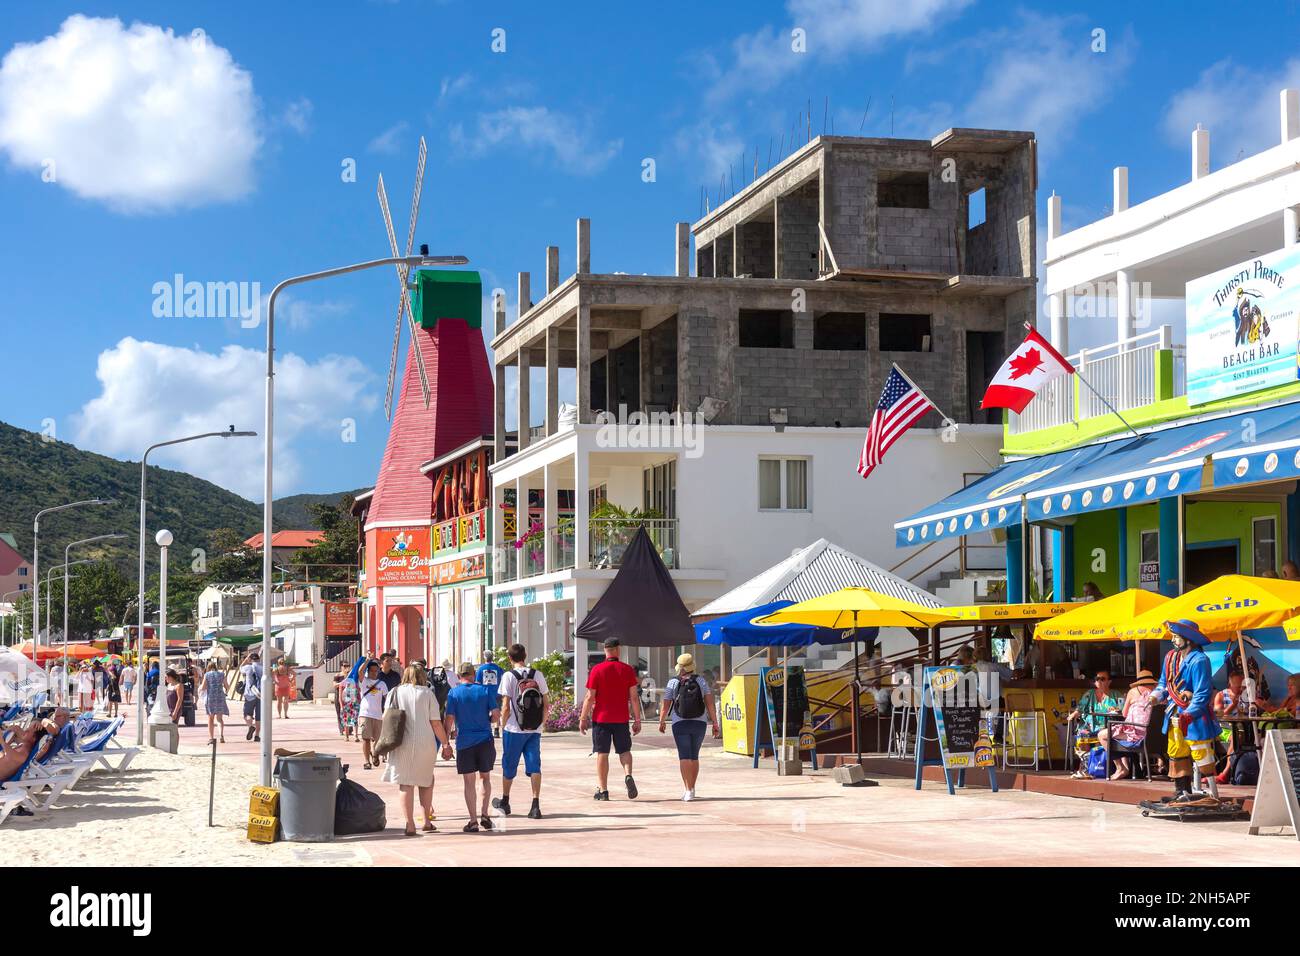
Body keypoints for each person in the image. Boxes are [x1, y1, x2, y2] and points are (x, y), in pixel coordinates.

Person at [1151, 619, 1222, 804]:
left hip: (1194, 716)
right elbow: (1163, 684)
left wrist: (1189, 714)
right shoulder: (1170, 658)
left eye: (1176, 636)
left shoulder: (1200, 660)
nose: (1173, 640)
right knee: (1176, 751)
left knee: (1201, 752)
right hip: (1173, 712)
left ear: (1189, 639)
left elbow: (1203, 693)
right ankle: (1182, 791)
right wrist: (1156, 696)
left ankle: (1214, 793)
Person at [383, 664, 453, 836]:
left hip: (401, 742)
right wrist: (445, 744)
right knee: (426, 780)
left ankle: (410, 824)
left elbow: (386, 717)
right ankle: (427, 822)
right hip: (425, 742)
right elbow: (436, 723)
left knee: (405, 783)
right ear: (423, 676)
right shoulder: (428, 694)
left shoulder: (394, 692)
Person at [579, 637, 641, 801]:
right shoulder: (627, 670)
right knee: (625, 750)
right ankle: (628, 774)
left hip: (601, 719)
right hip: (621, 718)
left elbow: (589, 697)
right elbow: (634, 698)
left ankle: (603, 790)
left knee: (602, 753)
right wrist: (637, 720)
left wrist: (583, 718)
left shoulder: (597, 670)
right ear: (618, 649)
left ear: (605, 649)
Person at [492, 643, 549, 819]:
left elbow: (506, 705)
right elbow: (546, 703)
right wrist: (541, 723)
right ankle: (535, 805)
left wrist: (502, 724)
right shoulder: (537, 674)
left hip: (514, 729)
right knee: (534, 766)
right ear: (525, 656)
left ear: (510, 658)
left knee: (509, 765)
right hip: (534, 729)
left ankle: (506, 801)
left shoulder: (509, 676)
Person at [443, 661, 501, 832]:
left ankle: (473, 821)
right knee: (485, 777)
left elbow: (449, 719)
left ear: (459, 676)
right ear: (473, 674)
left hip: (465, 742)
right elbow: (496, 715)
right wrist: (488, 721)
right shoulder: (484, 690)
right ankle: (485, 814)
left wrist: (446, 743)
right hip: (484, 740)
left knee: (469, 782)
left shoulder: (454, 693)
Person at [658, 653, 720, 801]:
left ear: (680, 668)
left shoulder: (673, 682)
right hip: (700, 723)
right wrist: (715, 723)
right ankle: (692, 788)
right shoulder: (701, 681)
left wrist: (661, 721)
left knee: (684, 756)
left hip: (680, 722)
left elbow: (665, 704)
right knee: (694, 756)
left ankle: (687, 791)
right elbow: (710, 703)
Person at [1099, 669, 1157, 780]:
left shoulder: (1133, 691)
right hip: (1156, 737)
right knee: (1116, 734)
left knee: (1102, 735)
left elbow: (1124, 713)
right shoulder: (1159, 695)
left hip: (1137, 735)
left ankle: (1121, 768)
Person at [1067, 669, 1121, 778]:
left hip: (1107, 725)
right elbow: (1080, 708)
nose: (1099, 681)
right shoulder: (1089, 694)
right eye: (1097, 679)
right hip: (1089, 725)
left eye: (1103, 679)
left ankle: (1098, 767)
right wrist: (1074, 714)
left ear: (1109, 681)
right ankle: (1086, 768)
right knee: (1083, 734)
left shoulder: (1115, 694)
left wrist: (1116, 709)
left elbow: (1122, 709)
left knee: (1102, 735)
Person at [358, 660, 387, 770]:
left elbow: (387, 698)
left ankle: (374, 753)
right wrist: (367, 660)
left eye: (376, 671)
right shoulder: (364, 681)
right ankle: (367, 761)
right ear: (368, 671)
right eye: (372, 671)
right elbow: (360, 672)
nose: (374, 673)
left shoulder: (382, 684)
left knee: (378, 740)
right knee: (366, 738)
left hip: (378, 715)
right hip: (365, 714)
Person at [476, 648, 504, 739]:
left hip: (485, 693)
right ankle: (496, 730)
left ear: (485, 658)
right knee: (497, 710)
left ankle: (487, 729)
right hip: (496, 693)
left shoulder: (481, 669)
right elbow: (502, 678)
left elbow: (478, 682)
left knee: (485, 711)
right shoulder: (498, 668)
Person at [201, 660, 229, 745]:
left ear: (208, 668)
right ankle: (221, 735)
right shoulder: (221, 674)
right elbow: (227, 686)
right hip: (220, 697)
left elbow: (203, 687)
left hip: (211, 697)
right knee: (219, 719)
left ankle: (211, 738)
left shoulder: (207, 675)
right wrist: (225, 692)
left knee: (211, 718)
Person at [240, 652, 263, 742]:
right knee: (258, 717)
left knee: (247, 714)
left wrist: (245, 660)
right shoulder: (263, 668)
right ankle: (257, 735)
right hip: (260, 695)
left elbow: (240, 669)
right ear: (259, 659)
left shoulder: (248, 667)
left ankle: (250, 726)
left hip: (249, 694)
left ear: (251, 659)